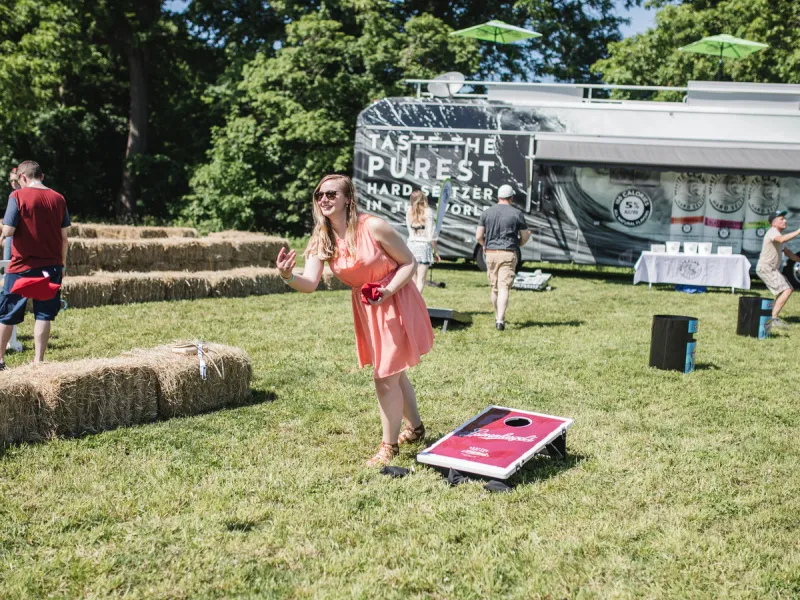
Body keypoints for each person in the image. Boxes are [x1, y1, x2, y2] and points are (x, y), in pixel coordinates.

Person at [276, 174, 434, 466]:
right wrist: (288, 276)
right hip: (367, 306)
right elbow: (310, 282)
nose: (324, 199)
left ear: (347, 199)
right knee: (393, 370)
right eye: (319, 194)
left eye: (331, 194)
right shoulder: (321, 236)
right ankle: (416, 429)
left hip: (394, 298)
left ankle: (389, 447)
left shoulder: (372, 226)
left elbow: (409, 262)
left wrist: (386, 290)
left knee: (385, 376)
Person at [0, 161, 70, 368]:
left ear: (22, 177)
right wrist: (63, 265)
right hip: (52, 266)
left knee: (8, 314)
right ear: (42, 175)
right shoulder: (59, 199)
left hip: (22, 266)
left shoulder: (18, 196)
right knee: (43, 314)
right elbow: (64, 237)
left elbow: (9, 231)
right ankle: (38, 362)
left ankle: (0, 359)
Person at [475, 184, 530, 331]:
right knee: (504, 286)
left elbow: (479, 236)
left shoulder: (486, 212)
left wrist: (484, 245)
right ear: (511, 197)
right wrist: (518, 244)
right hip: (508, 252)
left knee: (494, 287)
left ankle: (496, 314)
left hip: (491, 253)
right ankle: (500, 319)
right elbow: (525, 236)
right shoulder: (517, 213)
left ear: (498, 197)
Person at [755, 210, 800, 329]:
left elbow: (789, 253)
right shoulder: (772, 232)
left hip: (771, 269)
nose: (785, 221)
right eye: (781, 219)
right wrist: (798, 231)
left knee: (783, 291)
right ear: (774, 223)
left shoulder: (778, 234)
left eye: (784, 218)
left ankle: (769, 316)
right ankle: (773, 318)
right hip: (766, 268)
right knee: (787, 290)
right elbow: (782, 240)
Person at [405, 190, 440, 293]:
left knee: (413, 279)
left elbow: (410, 230)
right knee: (421, 280)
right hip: (424, 246)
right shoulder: (427, 212)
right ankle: (416, 304)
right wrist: (436, 251)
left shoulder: (409, 211)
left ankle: (411, 302)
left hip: (411, 245)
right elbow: (431, 234)